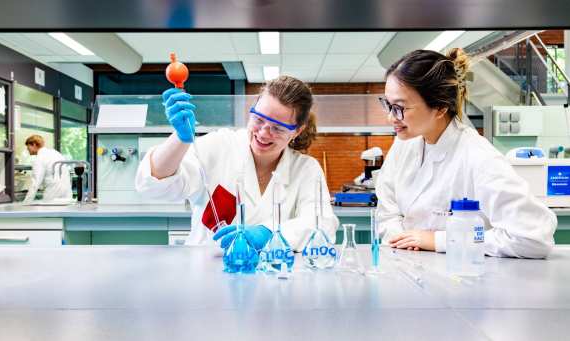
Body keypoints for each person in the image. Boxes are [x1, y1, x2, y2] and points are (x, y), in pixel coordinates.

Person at [375, 48, 556, 259]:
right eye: (388, 105)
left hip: (464, 275)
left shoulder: (478, 157)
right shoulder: (405, 144)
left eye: (399, 107)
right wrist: (401, 239)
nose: (390, 118)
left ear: (440, 108)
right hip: (409, 269)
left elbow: (533, 238)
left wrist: (440, 240)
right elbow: (387, 208)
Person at [135, 75, 338, 251]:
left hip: (275, 278)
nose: (263, 133)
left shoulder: (305, 169)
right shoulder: (219, 145)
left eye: (278, 128)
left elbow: (323, 224)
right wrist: (179, 139)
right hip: (207, 275)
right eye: (259, 119)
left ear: (297, 130)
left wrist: (268, 233)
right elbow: (153, 186)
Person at [23, 135, 72, 203]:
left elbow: (35, 183)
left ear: (34, 144)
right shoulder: (55, 153)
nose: (27, 149)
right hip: (67, 194)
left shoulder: (40, 158)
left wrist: (26, 202)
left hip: (52, 195)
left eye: (28, 146)